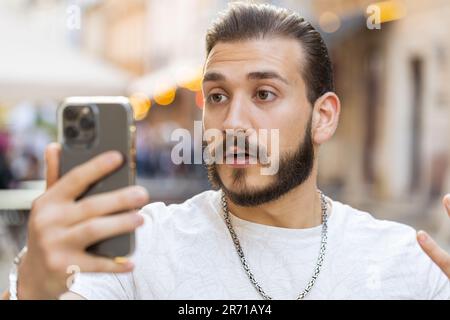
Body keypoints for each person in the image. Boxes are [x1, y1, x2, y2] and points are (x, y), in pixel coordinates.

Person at [3, 3, 449, 300]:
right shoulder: (138, 246)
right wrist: (36, 285)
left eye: (265, 94)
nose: (232, 122)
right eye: (217, 97)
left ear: (323, 117)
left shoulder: (408, 263)